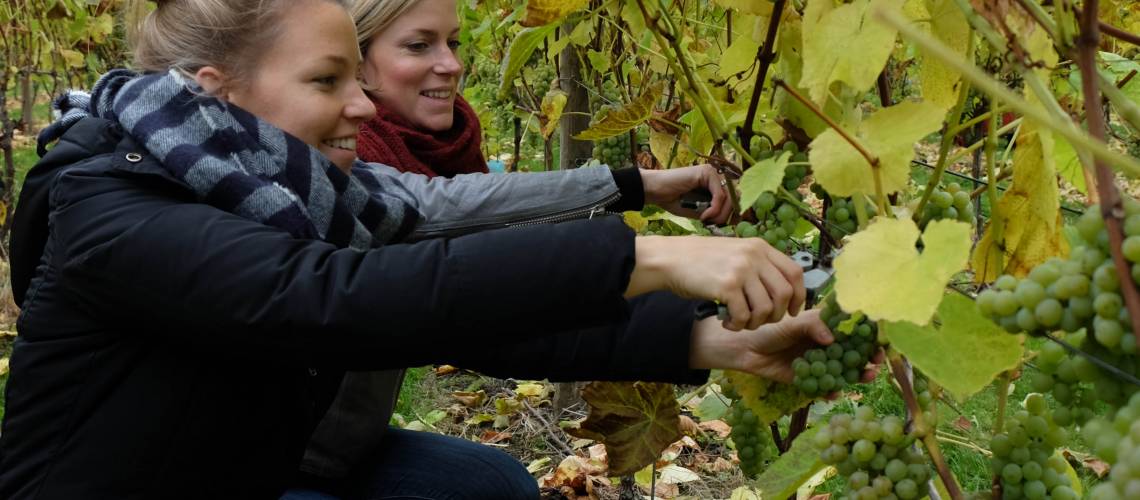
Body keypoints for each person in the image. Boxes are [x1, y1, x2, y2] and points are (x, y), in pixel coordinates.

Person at [0, 0, 859, 499]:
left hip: (241, 468)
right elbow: (330, 298)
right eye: (327, 82)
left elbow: (468, 323)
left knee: (487, 489)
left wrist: (704, 341)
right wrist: (647, 258)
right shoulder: (113, 208)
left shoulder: (306, 195)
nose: (365, 107)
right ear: (220, 95)